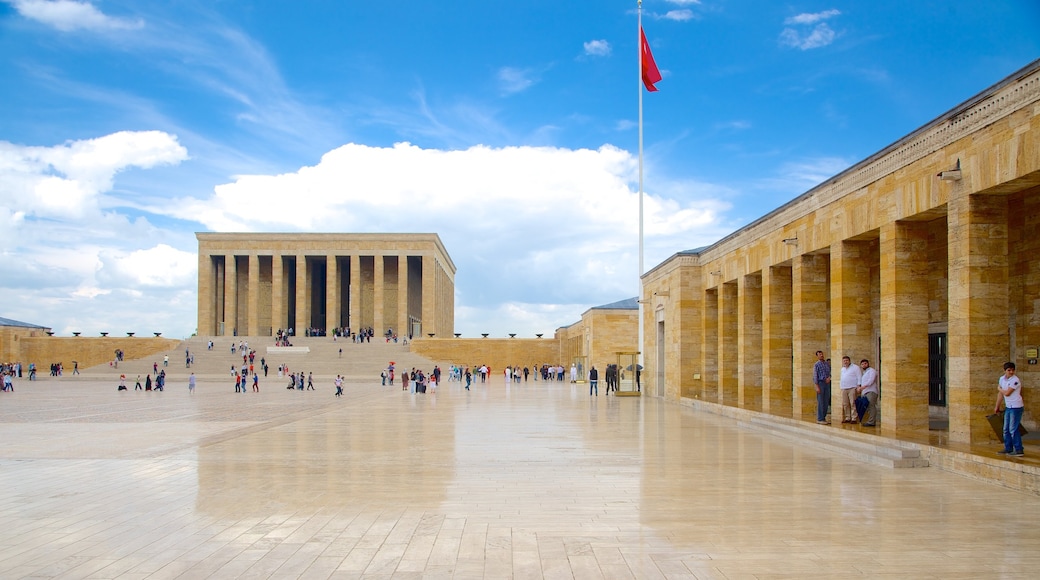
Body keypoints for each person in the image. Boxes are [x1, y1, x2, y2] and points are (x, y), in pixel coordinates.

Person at [995, 362, 1025, 457]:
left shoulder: (1015, 380)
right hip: (1009, 406)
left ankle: (1019, 449)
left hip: (1016, 407)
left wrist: (999, 388)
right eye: (1009, 370)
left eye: (1013, 370)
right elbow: (1001, 395)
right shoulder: (1002, 379)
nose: (1011, 372)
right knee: (1006, 429)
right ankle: (1008, 448)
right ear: (1005, 371)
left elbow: (1007, 393)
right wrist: (997, 406)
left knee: (1013, 428)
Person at [839, 355, 862, 424]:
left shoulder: (855, 367)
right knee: (845, 404)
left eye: (846, 360)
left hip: (852, 387)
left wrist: (858, 386)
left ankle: (854, 417)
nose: (845, 362)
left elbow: (859, 376)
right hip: (844, 388)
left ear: (849, 361)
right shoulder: (842, 369)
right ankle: (847, 417)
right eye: (844, 361)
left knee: (853, 403)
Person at [856, 359, 879, 426]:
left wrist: (862, 387)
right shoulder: (864, 372)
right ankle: (868, 420)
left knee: (871, 406)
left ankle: (871, 422)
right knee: (868, 407)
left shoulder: (872, 371)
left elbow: (870, 381)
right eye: (862, 364)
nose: (864, 365)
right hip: (865, 392)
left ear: (868, 364)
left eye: (865, 363)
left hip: (871, 391)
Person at [813, 350, 831, 425]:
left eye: (822, 354)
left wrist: (829, 378)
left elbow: (831, 372)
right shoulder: (816, 365)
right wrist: (817, 386)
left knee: (826, 401)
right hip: (820, 383)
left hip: (827, 383)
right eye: (819, 354)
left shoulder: (827, 364)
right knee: (821, 401)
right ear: (817, 356)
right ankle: (820, 418)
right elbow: (815, 376)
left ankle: (823, 417)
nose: (821, 355)